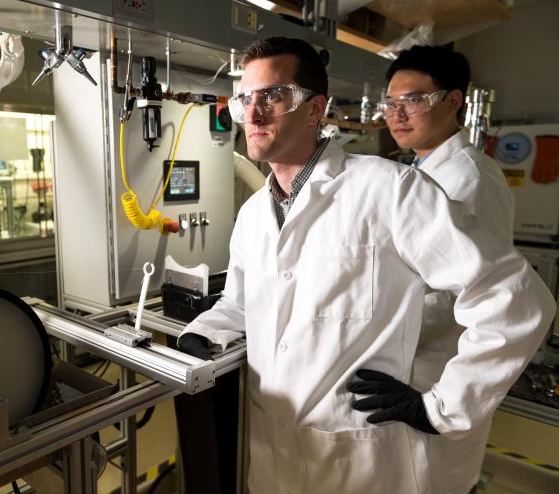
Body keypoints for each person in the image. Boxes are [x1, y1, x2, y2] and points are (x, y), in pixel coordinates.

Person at [177, 36, 556, 494]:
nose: (253, 115)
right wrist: (203, 331)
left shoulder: (391, 190)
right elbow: (240, 302)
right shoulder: (255, 213)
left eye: (273, 96)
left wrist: (441, 407)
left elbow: (516, 299)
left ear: (316, 109)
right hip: (273, 455)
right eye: (245, 98)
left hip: (359, 460)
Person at [380, 45, 515, 494]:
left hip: (438, 380)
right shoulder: (424, 169)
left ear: (453, 101)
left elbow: (487, 296)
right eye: (390, 103)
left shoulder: (468, 180)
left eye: (413, 100)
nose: (397, 115)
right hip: (413, 372)